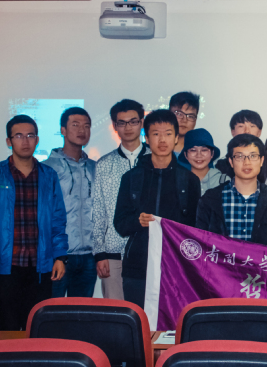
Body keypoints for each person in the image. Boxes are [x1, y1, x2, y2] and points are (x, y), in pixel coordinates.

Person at [0, 115, 68, 331]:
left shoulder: (49, 176)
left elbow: (57, 219)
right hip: (6, 266)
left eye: (30, 135)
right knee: (9, 327)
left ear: (37, 140)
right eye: (18, 136)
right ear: (9, 141)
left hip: (41, 267)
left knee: (37, 327)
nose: (25, 141)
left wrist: (60, 256)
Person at [113, 110, 201, 307]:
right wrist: (137, 221)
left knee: (174, 322)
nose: (162, 140)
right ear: (146, 138)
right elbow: (120, 223)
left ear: (176, 138)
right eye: (156, 134)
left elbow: (196, 228)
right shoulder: (131, 178)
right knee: (139, 321)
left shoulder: (190, 180)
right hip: (138, 268)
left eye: (168, 134)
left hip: (177, 268)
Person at [92, 99, 151, 300]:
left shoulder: (155, 159)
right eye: (122, 122)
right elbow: (98, 211)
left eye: (133, 121)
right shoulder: (104, 164)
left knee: (148, 312)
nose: (128, 127)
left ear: (141, 123)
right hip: (113, 253)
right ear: (115, 126)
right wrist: (100, 253)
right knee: (117, 312)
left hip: (148, 252)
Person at [197, 134, 267, 247]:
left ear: (261, 161)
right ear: (231, 162)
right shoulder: (210, 199)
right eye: (239, 156)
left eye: (253, 156)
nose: (247, 162)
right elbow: (200, 245)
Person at [43, 107, 97, 298]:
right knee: (51, 311)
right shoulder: (47, 169)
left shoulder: (95, 167)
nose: (82, 130)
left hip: (89, 256)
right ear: (63, 130)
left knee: (81, 312)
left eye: (86, 126)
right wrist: (54, 253)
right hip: (58, 256)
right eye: (75, 125)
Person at [214, 109, 264, 178]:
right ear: (232, 131)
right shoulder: (221, 166)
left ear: (259, 132)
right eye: (241, 126)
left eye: (252, 126)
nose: (247, 131)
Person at [182, 128, 228, 194]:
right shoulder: (178, 181)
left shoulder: (224, 181)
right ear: (185, 154)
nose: (199, 155)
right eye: (193, 150)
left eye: (204, 150)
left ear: (212, 153)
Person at [169, 91, 200, 156]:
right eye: (179, 114)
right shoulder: (151, 150)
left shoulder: (201, 155)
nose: (184, 120)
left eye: (190, 116)